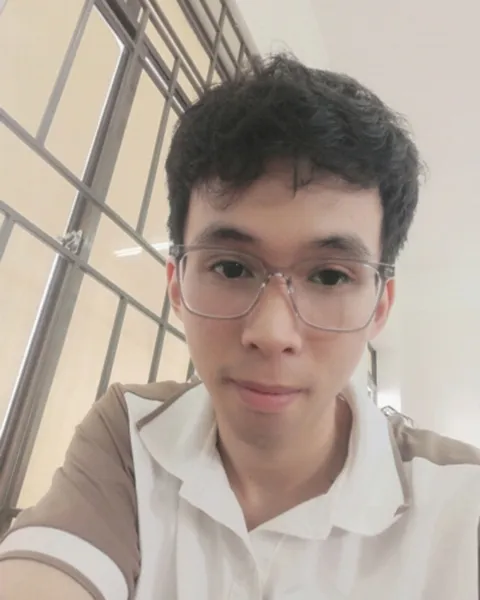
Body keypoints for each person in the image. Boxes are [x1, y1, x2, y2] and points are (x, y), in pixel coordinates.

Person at [1, 54, 479, 600]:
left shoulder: (462, 502)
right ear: (177, 283)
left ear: (380, 306)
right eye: (231, 268)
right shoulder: (132, 436)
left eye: (328, 276)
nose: (272, 333)